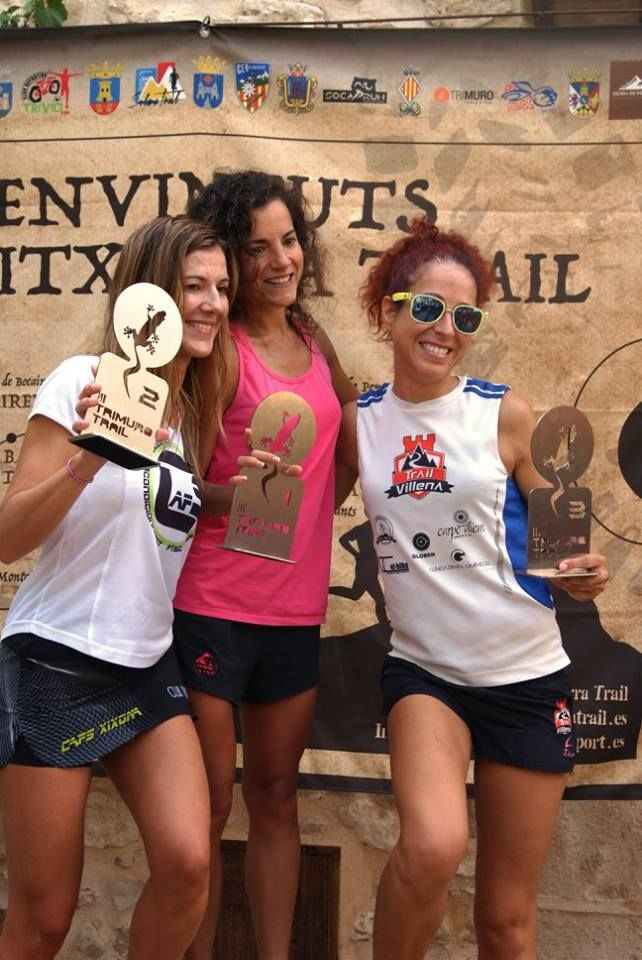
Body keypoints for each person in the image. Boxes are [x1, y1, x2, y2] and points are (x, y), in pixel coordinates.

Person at [335, 217, 609, 960]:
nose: (444, 329)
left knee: (506, 920)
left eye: (465, 316)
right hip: (427, 675)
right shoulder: (359, 425)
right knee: (431, 847)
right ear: (388, 310)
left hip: (527, 677)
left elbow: (562, 551)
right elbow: (296, 513)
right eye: (427, 307)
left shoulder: (506, 414)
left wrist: (584, 575)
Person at [0, 215, 235, 960]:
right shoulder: (83, 380)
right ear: (151, 293)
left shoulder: (188, 414)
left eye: (221, 288)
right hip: (56, 661)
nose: (212, 303)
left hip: (145, 663)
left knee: (189, 864)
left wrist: (250, 495)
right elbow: (7, 537)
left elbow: (155, 514)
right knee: (43, 918)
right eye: (194, 286)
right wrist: (89, 457)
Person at [172, 170, 357, 960]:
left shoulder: (314, 340)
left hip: (293, 612)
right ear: (228, 257)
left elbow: (351, 447)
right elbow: (176, 482)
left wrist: (310, 517)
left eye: (289, 240)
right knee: (209, 805)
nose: (281, 259)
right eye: (257, 248)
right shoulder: (219, 350)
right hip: (212, 603)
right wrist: (246, 500)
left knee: (277, 797)